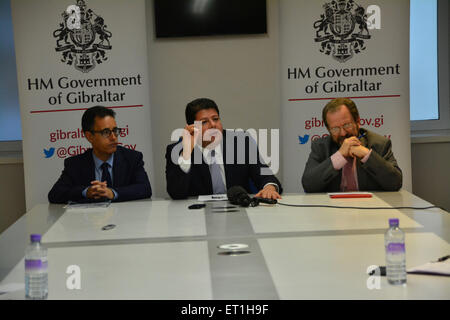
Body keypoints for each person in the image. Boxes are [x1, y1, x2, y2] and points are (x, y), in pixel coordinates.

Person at [165, 98, 282, 200]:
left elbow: (265, 175)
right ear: (192, 127)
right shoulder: (177, 150)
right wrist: (186, 153)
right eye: (204, 122)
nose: (213, 125)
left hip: (238, 211)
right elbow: (176, 193)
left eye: (215, 119)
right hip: (197, 217)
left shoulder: (241, 142)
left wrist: (269, 187)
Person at [48, 106, 152, 203]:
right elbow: (55, 194)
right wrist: (87, 191)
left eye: (115, 131)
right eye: (106, 132)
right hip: (90, 221)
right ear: (89, 136)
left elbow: (145, 188)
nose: (113, 137)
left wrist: (112, 193)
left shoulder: (132, 158)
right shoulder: (75, 164)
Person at [301, 98, 402, 193]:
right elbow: (308, 185)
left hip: (370, 207)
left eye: (347, 125)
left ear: (357, 122)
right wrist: (339, 156)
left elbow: (396, 183)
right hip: (332, 208)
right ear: (328, 130)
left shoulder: (379, 144)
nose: (343, 133)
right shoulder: (321, 147)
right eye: (335, 129)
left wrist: (367, 155)